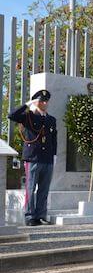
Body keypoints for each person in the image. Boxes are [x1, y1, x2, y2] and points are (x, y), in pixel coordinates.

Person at [8, 89, 57, 226]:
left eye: (46, 101)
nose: (45, 103)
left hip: (47, 159)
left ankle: (41, 215)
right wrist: (28, 104)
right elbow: (11, 115)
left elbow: (53, 138)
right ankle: (30, 216)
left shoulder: (51, 120)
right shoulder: (28, 116)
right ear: (36, 102)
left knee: (44, 189)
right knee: (30, 188)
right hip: (32, 158)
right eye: (41, 101)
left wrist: (55, 155)